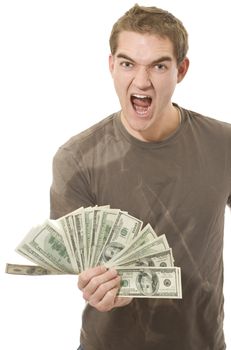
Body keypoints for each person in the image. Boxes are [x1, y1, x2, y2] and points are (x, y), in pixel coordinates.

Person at [50, 4, 231, 350]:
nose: (142, 81)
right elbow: (82, 264)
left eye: (159, 66)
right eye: (127, 63)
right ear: (111, 66)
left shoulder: (225, 144)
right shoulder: (76, 159)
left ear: (181, 70)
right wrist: (98, 288)